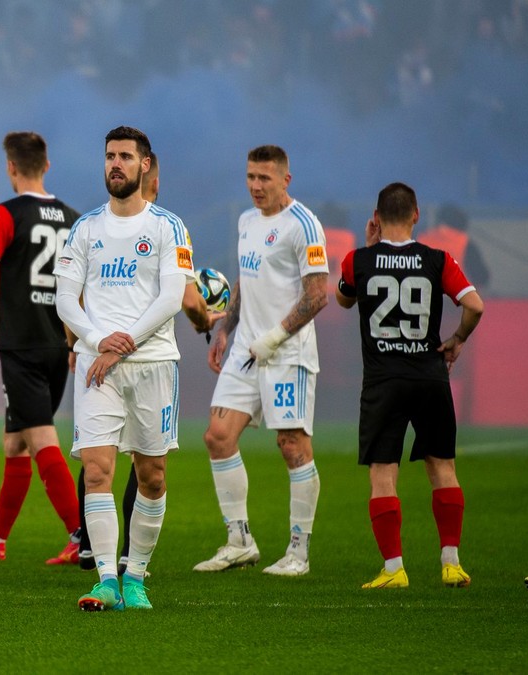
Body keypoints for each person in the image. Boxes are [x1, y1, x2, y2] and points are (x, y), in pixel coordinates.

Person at [55, 126, 214, 611]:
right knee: (98, 471)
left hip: (152, 366)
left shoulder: (169, 227)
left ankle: (137, 576)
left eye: (125, 156)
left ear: (145, 164)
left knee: (153, 476)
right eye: (109, 156)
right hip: (95, 366)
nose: (115, 164)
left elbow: (171, 298)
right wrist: (99, 340)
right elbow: (65, 299)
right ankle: (106, 580)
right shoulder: (84, 229)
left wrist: (120, 346)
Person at [335, 182, 484, 589]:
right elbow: (475, 305)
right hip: (429, 377)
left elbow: (343, 299)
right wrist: (457, 340)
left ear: (377, 218)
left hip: (384, 381)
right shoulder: (438, 259)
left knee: (384, 474)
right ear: (416, 214)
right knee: (443, 467)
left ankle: (394, 569)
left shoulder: (358, 261)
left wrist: (368, 249)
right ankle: (451, 562)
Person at [195, 145, 328, 577]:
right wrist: (226, 328)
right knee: (217, 436)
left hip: (287, 353)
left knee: (292, 445)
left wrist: (273, 337)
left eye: (264, 179)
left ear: (285, 180)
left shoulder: (303, 225)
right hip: (246, 350)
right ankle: (240, 541)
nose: (255, 186)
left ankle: (298, 553)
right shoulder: (246, 221)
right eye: (250, 177)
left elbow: (318, 295)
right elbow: (246, 277)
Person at [0, 132, 82, 566]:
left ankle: (81, 534)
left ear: (11, 167)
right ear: (46, 165)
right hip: (59, 342)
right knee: (16, 444)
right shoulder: (73, 218)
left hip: (21, 345)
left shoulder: (5, 214)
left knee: (40, 435)